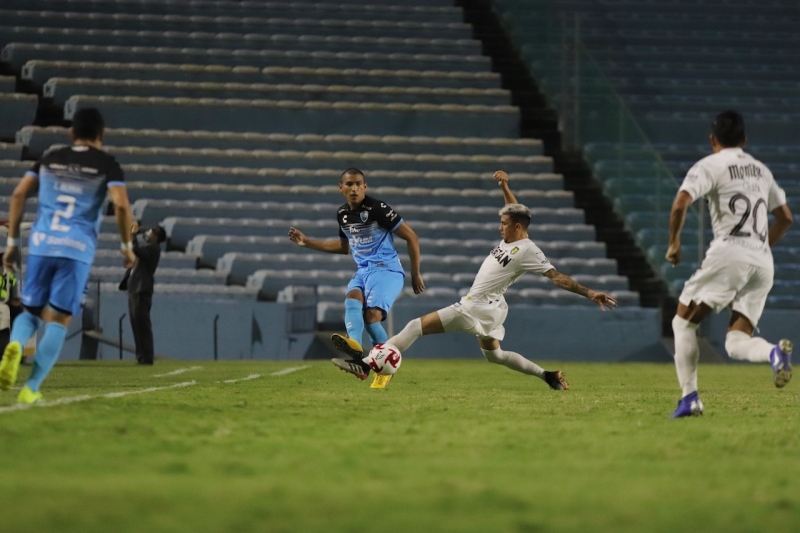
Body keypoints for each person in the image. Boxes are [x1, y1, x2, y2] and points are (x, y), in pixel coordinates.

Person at [335, 170, 618, 389]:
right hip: (494, 308)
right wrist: (505, 187)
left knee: (414, 326)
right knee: (496, 356)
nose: (499, 228)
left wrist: (589, 293)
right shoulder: (513, 237)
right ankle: (548, 375)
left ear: (517, 227)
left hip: (474, 307)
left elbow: (557, 278)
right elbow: (514, 210)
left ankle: (366, 364)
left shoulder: (528, 250)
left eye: (504, 224)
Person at [0, 108, 135, 403]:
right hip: (75, 248)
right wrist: (126, 247)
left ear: (72, 133)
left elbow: (19, 194)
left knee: (30, 312)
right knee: (59, 320)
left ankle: (16, 344)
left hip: (41, 243)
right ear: (102, 134)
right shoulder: (107, 164)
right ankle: (31, 388)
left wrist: (12, 243)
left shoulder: (50, 158)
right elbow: (121, 205)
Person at [665, 110, 793, 418]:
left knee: (683, 323)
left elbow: (680, 204)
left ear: (713, 140)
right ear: (744, 140)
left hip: (730, 253)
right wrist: (758, 248)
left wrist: (674, 244)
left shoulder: (710, 165)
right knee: (736, 341)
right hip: (763, 261)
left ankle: (690, 398)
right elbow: (786, 218)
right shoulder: (761, 170)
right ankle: (774, 353)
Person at [288, 167, 425, 382]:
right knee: (352, 299)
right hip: (363, 270)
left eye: (358, 184)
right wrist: (308, 242)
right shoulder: (342, 214)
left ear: (365, 186)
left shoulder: (377, 208)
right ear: (341, 187)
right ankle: (357, 352)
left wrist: (415, 274)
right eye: (349, 184)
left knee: (371, 317)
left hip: (387, 269)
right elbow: (345, 247)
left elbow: (412, 237)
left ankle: (385, 369)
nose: (354, 188)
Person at [119, 221, 166, 365]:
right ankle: (141, 356)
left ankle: (147, 356)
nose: (148, 234)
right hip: (134, 289)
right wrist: (138, 230)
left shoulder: (153, 249)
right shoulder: (149, 248)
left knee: (142, 325)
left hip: (141, 290)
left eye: (151, 232)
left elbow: (135, 249)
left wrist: (134, 234)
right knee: (136, 324)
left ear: (156, 237)